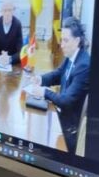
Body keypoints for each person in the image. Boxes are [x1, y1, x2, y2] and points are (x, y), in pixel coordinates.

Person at [25, 17, 90, 154]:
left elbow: (66, 100)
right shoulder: (72, 56)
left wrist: (44, 92)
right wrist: (40, 79)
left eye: (66, 40)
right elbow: (58, 74)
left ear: (77, 41)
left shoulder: (83, 65)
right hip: (61, 114)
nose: (61, 45)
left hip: (68, 128)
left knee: (34, 141)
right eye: (61, 40)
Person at [0, 0, 23, 67]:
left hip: (13, 64)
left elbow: (20, 52)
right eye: (5, 10)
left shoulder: (17, 24)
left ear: (13, 11)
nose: (7, 13)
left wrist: (10, 59)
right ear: (1, 11)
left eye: (9, 10)